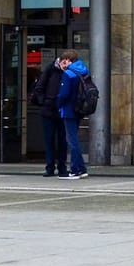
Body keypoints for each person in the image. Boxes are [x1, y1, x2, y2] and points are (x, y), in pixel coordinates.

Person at [30, 52, 67, 177]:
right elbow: (39, 88)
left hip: (62, 110)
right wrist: (45, 102)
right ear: (60, 61)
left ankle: (62, 167)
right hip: (49, 110)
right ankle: (50, 166)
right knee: (49, 140)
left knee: (63, 140)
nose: (67, 65)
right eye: (65, 62)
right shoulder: (50, 70)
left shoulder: (68, 71)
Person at [56, 50, 91, 180]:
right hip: (79, 109)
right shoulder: (83, 71)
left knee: (72, 140)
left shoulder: (68, 74)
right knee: (74, 138)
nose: (61, 63)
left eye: (63, 60)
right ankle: (81, 169)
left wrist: (58, 104)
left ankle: (75, 170)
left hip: (69, 110)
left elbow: (64, 94)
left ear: (68, 60)